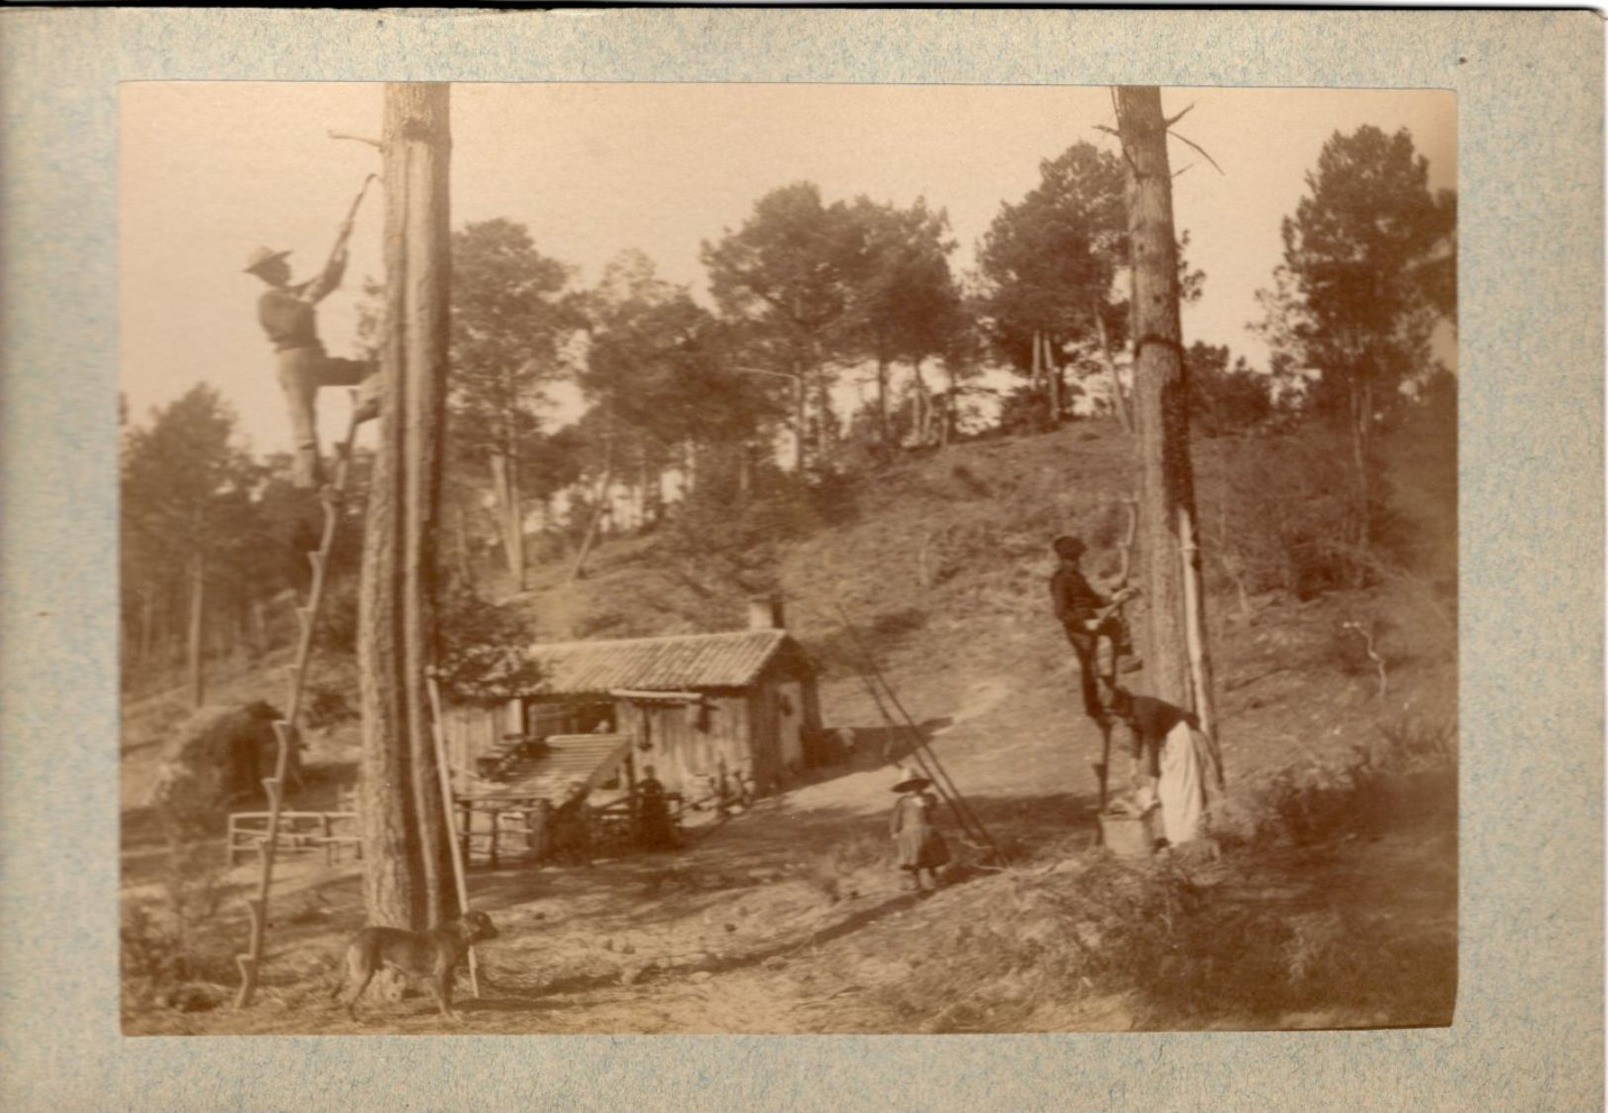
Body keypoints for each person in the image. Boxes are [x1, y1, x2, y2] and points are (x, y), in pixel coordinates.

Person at [244, 243, 379, 489]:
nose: (286, 267)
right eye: (279, 265)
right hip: (293, 361)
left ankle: (368, 404)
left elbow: (325, 281)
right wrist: (306, 301)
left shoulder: (291, 293)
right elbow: (292, 324)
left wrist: (341, 252)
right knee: (304, 422)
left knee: (370, 369)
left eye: (284, 263)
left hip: (314, 358)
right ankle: (311, 480)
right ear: (267, 272)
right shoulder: (268, 301)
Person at [1048, 535, 1139, 725]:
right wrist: (1084, 625)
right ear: (1064, 560)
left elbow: (1094, 600)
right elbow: (1061, 612)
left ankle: (1124, 662)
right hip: (1078, 631)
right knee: (1090, 668)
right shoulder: (1059, 581)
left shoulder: (1077, 577)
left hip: (1093, 622)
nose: (1075, 563)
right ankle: (1094, 710)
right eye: (1071, 559)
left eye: (1077, 559)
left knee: (1116, 625)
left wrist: (1115, 597)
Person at [888, 767, 950, 893]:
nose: (913, 789)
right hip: (910, 833)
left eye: (916, 786)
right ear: (905, 789)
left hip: (926, 830)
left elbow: (933, 806)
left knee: (930, 855)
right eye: (909, 787)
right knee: (913, 858)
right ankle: (916, 882)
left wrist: (927, 803)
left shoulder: (928, 797)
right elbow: (896, 816)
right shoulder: (903, 802)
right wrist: (894, 831)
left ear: (921, 786)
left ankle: (934, 878)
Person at [634, 765, 678, 851]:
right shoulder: (643, 782)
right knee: (647, 825)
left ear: (654, 773)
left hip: (656, 806)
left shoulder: (656, 782)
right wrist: (641, 794)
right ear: (645, 773)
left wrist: (655, 796)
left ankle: (660, 843)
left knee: (657, 825)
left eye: (651, 772)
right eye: (647, 772)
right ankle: (650, 845)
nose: (649, 774)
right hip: (646, 806)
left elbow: (661, 793)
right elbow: (636, 790)